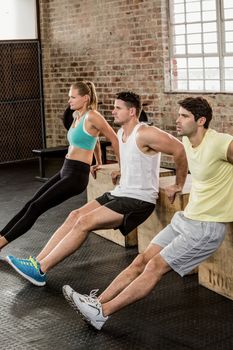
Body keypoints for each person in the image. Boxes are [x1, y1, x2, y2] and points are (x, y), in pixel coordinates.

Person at [61, 96, 233, 331]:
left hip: (206, 227)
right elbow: (182, 157)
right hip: (186, 219)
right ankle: (97, 302)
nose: (178, 120)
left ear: (201, 120)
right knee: (141, 260)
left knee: (154, 267)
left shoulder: (220, 143)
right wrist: (178, 185)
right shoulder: (188, 143)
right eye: (179, 114)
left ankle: (103, 313)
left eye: (184, 116)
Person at [6, 91, 188, 288]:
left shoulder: (146, 133)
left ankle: (41, 270)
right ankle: (36, 262)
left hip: (138, 199)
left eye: (118, 108)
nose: (113, 111)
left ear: (132, 111)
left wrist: (179, 184)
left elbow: (179, 149)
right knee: (74, 215)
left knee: (84, 222)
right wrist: (122, 170)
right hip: (120, 193)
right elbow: (136, 159)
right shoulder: (121, 133)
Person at [0, 81, 119, 251]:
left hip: (76, 176)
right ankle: (1, 235)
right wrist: (98, 162)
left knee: (36, 207)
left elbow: (113, 138)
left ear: (85, 98)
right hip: (66, 169)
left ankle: (2, 243)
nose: (69, 100)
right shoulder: (77, 116)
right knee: (31, 202)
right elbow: (95, 140)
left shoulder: (93, 116)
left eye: (72, 97)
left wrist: (121, 166)